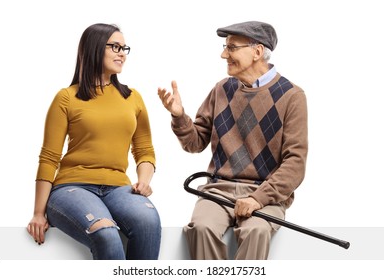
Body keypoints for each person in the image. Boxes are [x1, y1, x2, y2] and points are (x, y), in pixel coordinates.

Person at [158, 21, 308, 260]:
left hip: (265, 194)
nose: (223, 54)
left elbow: (295, 164)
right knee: (202, 228)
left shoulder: (291, 96)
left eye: (232, 47)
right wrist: (179, 116)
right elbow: (195, 142)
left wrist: (257, 199)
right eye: (225, 47)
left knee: (256, 231)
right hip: (218, 191)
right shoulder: (221, 89)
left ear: (257, 52)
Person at [27, 23, 161, 260]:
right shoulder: (67, 98)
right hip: (72, 188)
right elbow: (49, 157)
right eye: (115, 47)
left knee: (148, 221)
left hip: (119, 188)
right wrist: (38, 212)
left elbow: (144, 150)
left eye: (124, 48)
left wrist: (143, 181)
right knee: (106, 232)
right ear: (95, 48)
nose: (122, 53)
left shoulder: (132, 98)